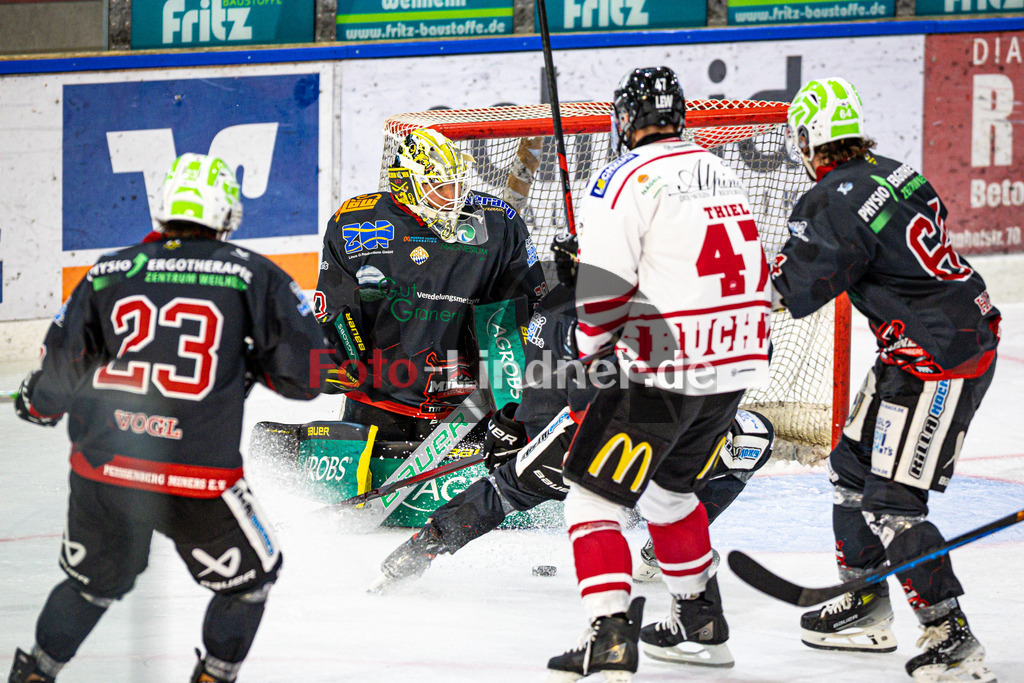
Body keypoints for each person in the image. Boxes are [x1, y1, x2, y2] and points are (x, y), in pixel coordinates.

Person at [8, 153, 326, 683]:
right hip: (194, 476)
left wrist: (33, 400)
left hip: (103, 470)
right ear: (226, 213)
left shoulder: (107, 271)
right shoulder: (253, 272)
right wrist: (247, 364)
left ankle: (35, 675)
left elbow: (52, 385)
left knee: (93, 585)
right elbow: (306, 377)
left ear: (162, 209)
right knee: (251, 580)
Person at [370, 237, 775, 593]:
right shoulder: (602, 309)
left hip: (602, 435)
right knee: (746, 438)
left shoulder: (600, 299)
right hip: (589, 438)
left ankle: (417, 552)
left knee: (508, 490)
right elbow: (571, 399)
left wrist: (512, 425)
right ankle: (661, 550)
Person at [770, 77, 1000, 682]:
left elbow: (790, 294)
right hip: (918, 348)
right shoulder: (897, 170)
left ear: (809, 138)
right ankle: (867, 603)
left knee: (893, 502)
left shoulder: (830, 201)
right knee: (850, 466)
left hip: (943, 360)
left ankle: (950, 634)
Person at [547, 66, 772, 682]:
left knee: (592, 500)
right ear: (679, 117)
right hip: (737, 361)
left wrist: (581, 328)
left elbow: (600, 303)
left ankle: (610, 641)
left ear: (625, 119)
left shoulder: (623, 176)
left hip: (664, 367)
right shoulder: (725, 170)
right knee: (671, 492)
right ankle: (703, 626)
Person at [312, 128, 547, 441]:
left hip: (469, 406)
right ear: (405, 183)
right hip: (379, 400)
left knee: (480, 489)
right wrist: (335, 359)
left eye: (458, 185)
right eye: (439, 187)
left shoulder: (498, 222)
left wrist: (516, 387)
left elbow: (530, 308)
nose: (453, 197)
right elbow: (333, 311)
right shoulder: (355, 221)